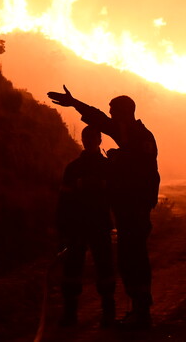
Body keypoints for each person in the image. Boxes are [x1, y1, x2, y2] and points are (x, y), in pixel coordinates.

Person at [48, 86, 160, 328]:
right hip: (127, 211)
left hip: (136, 210)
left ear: (123, 113)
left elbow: (144, 173)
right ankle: (138, 312)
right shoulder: (126, 133)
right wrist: (75, 102)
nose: (109, 118)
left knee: (135, 259)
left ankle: (141, 313)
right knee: (128, 260)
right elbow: (99, 118)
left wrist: (119, 160)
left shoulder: (140, 137)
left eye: (113, 112)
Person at [56, 125, 116, 327]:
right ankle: (71, 314)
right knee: (73, 269)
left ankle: (107, 313)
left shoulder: (104, 168)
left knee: (104, 267)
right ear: (84, 140)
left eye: (92, 138)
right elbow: (64, 201)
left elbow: (116, 197)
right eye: (87, 138)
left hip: (96, 225)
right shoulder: (76, 168)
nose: (89, 141)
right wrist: (61, 228)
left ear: (99, 140)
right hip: (79, 226)